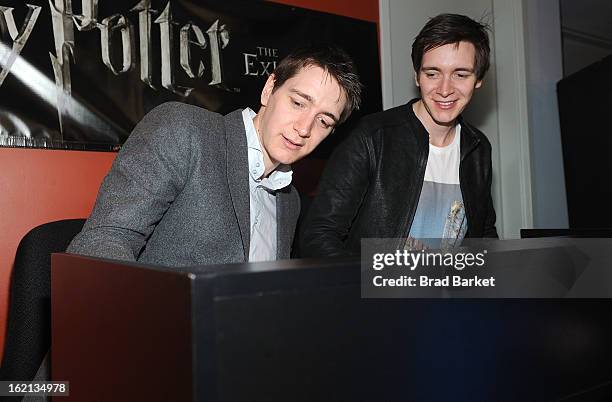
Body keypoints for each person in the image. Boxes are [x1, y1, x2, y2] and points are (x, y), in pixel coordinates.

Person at [68, 44, 362, 266]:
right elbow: (103, 242)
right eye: (298, 102)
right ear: (269, 89)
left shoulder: (289, 200)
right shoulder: (183, 130)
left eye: (324, 121)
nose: (304, 128)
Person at [300, 14, 497, 257]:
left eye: (460, 74)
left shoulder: (478, 148)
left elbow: (484, 235)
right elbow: (319, 235)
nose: (445, 89)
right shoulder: (372, 138)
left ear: (478, 80)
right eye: (432, 73)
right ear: (417, 76)